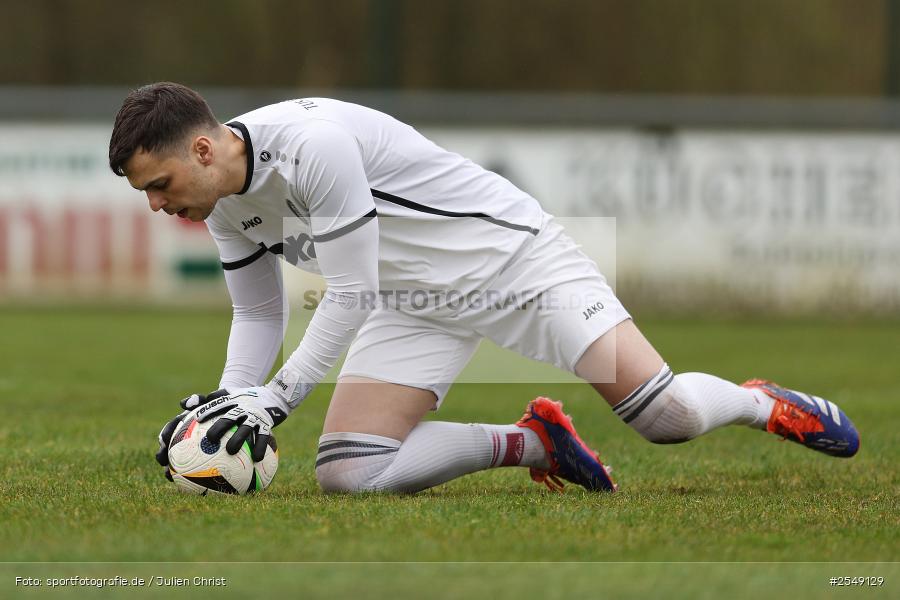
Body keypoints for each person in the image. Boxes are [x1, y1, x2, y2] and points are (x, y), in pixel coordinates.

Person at [109, 82, 859, 494]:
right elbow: (259, 311)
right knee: (350, 472)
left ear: (203, 148)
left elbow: (350, 290)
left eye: (160, 184)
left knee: (665, 416)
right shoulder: (217, 201)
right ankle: (535, 442)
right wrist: (233, 400)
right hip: (415, 300)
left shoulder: (314, 146)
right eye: (148, 193)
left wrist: (278, 399)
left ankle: (763, 401)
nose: (158, 205)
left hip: (515, 263)